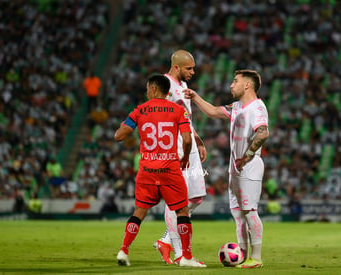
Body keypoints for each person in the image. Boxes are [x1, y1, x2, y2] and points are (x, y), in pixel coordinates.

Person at [114, 74, 206, 268]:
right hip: (170, 168)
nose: (146, 92)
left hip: (147, 168)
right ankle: (186, 257)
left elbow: (119, 136)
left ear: (154, 89)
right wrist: (187, 157)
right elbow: (187, 140)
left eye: (147, 88)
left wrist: (135, 125)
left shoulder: (140, 110)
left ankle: (124, 250)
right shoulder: (178, 110)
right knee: (182, 210)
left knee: (139, 211)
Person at [185, 69, 269, 269]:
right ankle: (243, 255)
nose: (231, 85)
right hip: (235, 168)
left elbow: (263, 133)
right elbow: (213, 111)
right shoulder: (237, 106)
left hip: (249, 167)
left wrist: (247, 156)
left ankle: (256, 258)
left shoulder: (257, 107)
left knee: (250, 211)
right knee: (238, 215)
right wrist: (195, 97)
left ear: (247, 85)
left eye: (235, 81)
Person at [154, 50, 207, 265]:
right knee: (177, 200)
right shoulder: (163, 85)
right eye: (189, 68)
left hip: (189, 144)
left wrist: (198, 140)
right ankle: (181, 255)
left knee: (195, 198)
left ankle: (166, 241)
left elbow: (186, 118)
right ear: (176, 67)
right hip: (174, 147)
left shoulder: (183, 86)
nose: (193, 72)